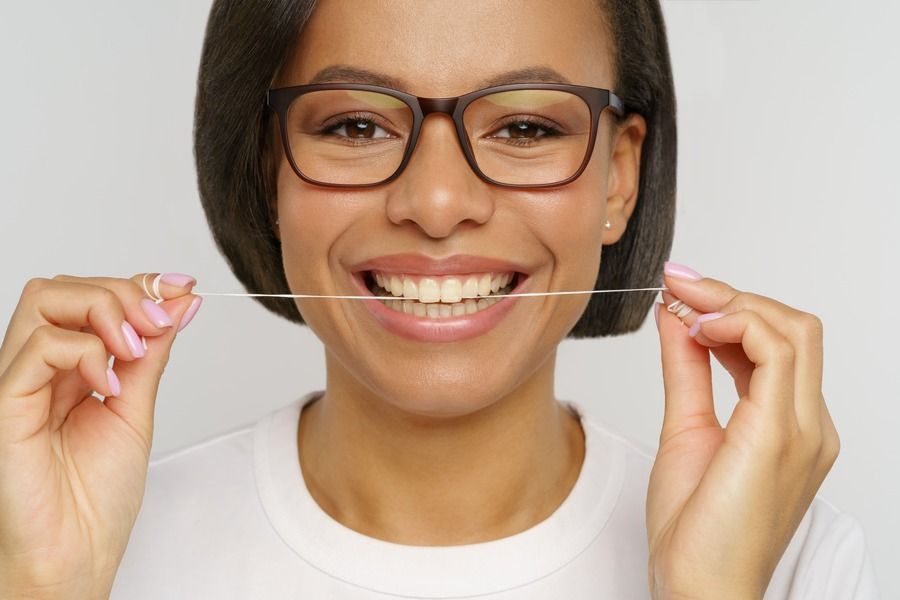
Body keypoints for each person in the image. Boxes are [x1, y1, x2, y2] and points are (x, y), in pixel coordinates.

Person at [0, 0, 879, 598]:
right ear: (268, 170)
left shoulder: (794, 564)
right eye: (354, 125)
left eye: (527, 127)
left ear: (619, 178)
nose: (436, 203)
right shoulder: (76, 552)